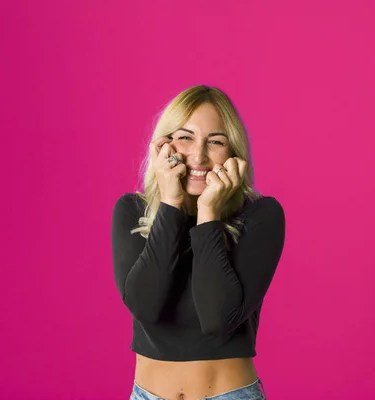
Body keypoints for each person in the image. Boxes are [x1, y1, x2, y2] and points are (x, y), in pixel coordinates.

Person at [111, 85, 286, 400]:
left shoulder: (261, 214)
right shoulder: (132, 211)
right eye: (185, 137)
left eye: (216, 141)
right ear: (164, 145)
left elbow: (218, 319)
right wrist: (170, 204)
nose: (199, 155)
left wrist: (209, 212)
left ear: (233, 151)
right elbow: (145, 306)